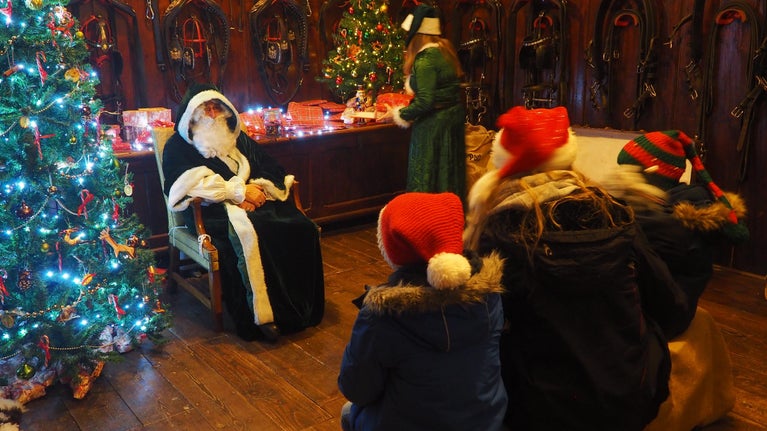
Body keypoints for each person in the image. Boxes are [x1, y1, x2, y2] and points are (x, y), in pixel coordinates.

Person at [463, 106, 687, 431]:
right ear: (569, 159)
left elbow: (477, 334)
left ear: (501, 165)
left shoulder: (494, 232)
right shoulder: (616, 215)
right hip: (629, 399)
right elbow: (671, 308)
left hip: (535, 408)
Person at [600, 130, 749, 431]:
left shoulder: (676, 220)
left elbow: (642, 234)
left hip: (669, 311)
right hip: (661, 298)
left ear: (651, 173)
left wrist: (624, 200)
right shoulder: (665, 207)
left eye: (629, 169)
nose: (622, 174)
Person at [161, 83, 324, 342]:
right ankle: (261, 316)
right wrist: (237, 193)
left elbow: (271, 166)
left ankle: (301, 306)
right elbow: (185, 187)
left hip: (254, 203)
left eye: (217, 107)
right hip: (211, 214)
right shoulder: (178, 147)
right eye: (206, 108)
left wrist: (256, 189)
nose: (213, 114)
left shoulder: (236, 137)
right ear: (192, 113)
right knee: (257, 234)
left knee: (299, 228)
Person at [338, 192, 507, 431]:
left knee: (348, 411)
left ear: (393, 251)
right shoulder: (489, 295)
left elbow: (356, 389)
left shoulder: (383, 315)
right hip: (485, 422)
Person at [381, 5, 467, 199]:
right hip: (451, 122)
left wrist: (397, 114)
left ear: (416, 35)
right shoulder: (445, 51)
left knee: (428, 177)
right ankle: (450, 217)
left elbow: (426, 101)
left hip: (433, 127)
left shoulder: (425, 60)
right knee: (448, 175)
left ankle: (426, 220)